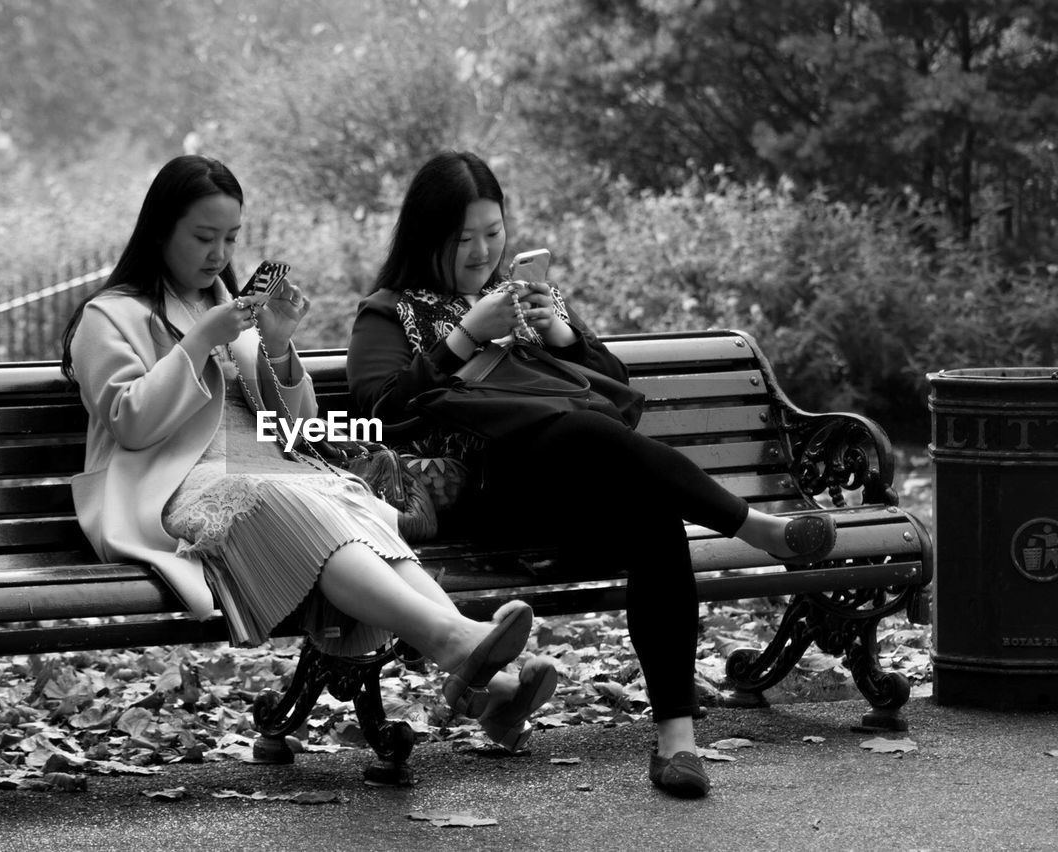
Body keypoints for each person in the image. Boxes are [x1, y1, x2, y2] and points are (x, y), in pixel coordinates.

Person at [347, 150, 838, 798]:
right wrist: (464, 336)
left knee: (651, 515)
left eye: (493, 233)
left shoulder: (517, 300)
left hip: (563, 491)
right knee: (579, 434)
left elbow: (613, 391)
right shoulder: (386, 312)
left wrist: (565, 337)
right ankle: (755, 528)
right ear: (424, 236)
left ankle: (677, 743)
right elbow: (373, 413)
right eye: (463, 238)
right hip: (481, 496)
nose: (481, 251)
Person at [59, 154, 557, 753]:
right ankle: (458, 648)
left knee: (353, 508)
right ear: (160, 230)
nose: (219, 254)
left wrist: (276, 345)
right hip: (180, 487)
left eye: (231, 238)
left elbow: (296, 428)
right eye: (203, 237)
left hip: (273, 473)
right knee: (301, 502)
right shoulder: (109, 317)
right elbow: (130, 423)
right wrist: (199, 342)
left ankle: (489, 685)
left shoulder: (226, 306)